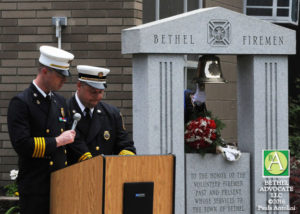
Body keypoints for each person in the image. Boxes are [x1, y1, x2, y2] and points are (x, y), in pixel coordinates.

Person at [7, 46, 76, 214]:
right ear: (45, 71)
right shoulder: (21, 102)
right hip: (35, 185)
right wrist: (58, 141)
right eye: (60, 76)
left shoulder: (59, 101)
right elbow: (22, 144)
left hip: (60, 181)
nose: (64, 81)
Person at [67, 65, 136, 163]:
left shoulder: (111, 113)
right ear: (79, 86)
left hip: (104, 174)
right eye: (93, 92)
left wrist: (126, 161)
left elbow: (124, 144)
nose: (98, 96)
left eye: (100, 92)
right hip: (73, 174)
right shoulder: (65, 110)